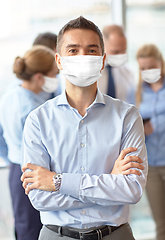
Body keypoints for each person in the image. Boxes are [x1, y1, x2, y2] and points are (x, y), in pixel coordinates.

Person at [21, 16, 147, 240]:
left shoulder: (127, 116)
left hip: (115, 235)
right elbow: (39, 198)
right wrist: (109, 182)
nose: (83, 57)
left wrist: (58, 182)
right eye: (73, 50)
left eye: (91, 50)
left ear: (102, 59)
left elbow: (132, 190)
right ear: (59, 61)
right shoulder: (38, 120)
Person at [0, 45, 59, 240]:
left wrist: (11, 158)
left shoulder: (12, 93)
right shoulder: (31, 110)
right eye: (54, 74)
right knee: (32, 231)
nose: (57, 79)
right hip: (32, 174)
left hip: (17, 168)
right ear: (39, 77)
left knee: (25, 227)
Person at [136, 44, 165, 240]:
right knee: (161, 225)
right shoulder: (137, 93)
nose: (147, 71)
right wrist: (142, 130)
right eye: (143, 68)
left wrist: (158, 123)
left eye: (151, 66)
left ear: (160, 63)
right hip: (151, 166)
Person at [97, 24, 135, 104]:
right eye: (116, 51)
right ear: (102, 45)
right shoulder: (90, 72)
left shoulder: (128, 72)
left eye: (124, 50)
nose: (120, 55)